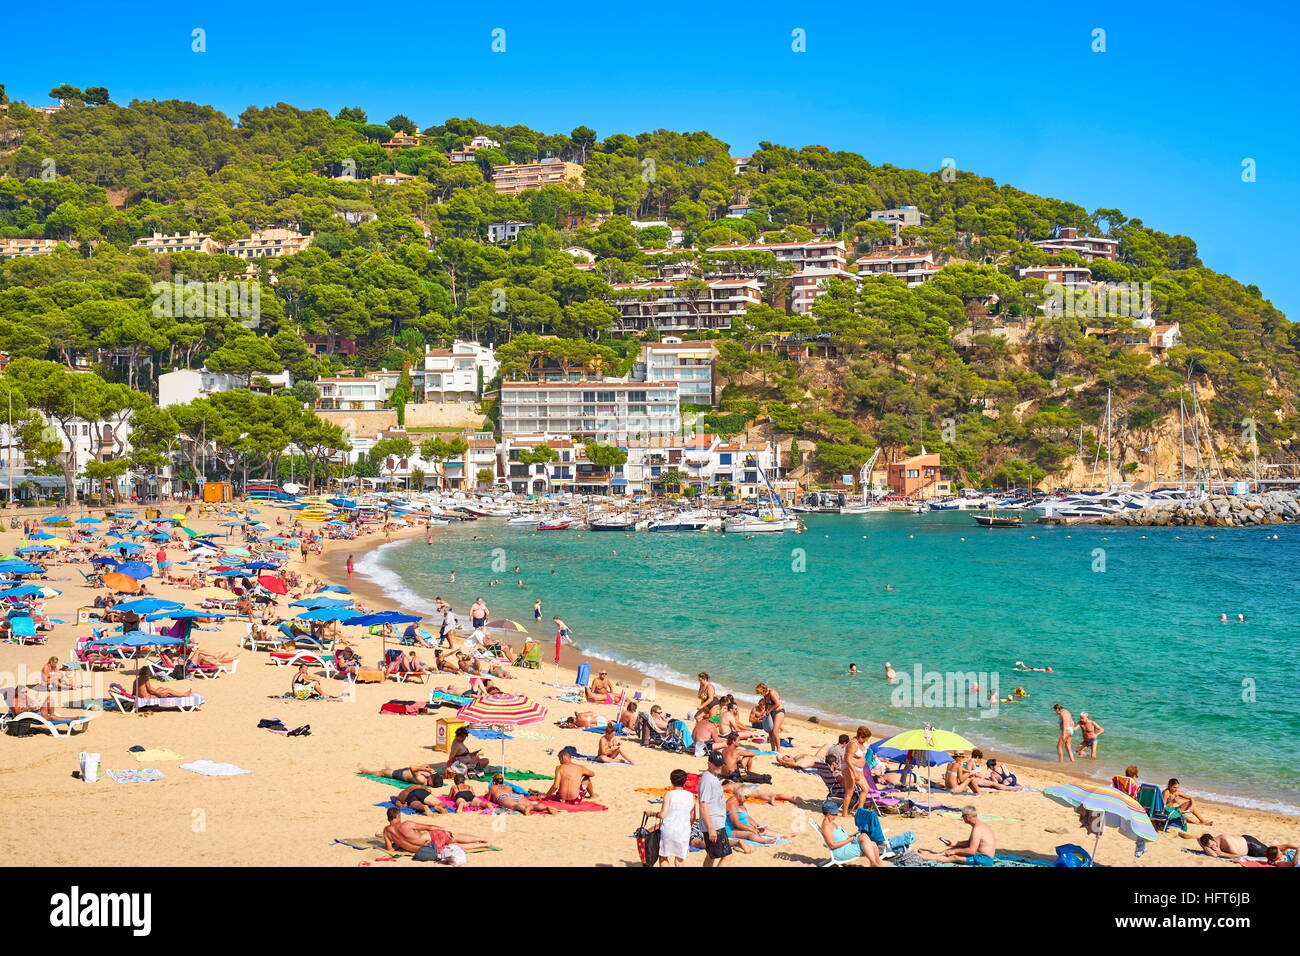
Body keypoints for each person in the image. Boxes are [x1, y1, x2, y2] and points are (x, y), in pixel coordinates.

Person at [381, 808, 490, 854]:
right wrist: (443, 829)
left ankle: (480, 845)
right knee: (454, 837)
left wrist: (399, 844)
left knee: (455, 845)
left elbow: (390, 849)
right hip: (431, 837)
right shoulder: (406, 824)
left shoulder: (386, 831)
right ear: (398, 816)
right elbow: (429, 827)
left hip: (427, 848)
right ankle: (482, 839)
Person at [917, 806, 998, 865]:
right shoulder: (980, 825)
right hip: (981, 856)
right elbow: (971, 843)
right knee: (953, 849)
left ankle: (925, 857)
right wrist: (955, 843)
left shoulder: (978, 829)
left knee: (954, 856)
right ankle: (929, 855)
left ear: (968, 817)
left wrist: (955, 851)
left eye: (963, 816)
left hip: (984, 859)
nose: (962, 818)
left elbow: (971, 850)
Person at [819, 800, 886, 866]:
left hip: (847, 845)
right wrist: (849, 840)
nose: (836, 815)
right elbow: (832, 845)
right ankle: (874, 863)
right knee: (872, 845)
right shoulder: (826, 827)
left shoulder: (830, 823)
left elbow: (837, 837)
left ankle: (876, 863)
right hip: (841, 851)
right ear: (828, 813)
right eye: (834, 813)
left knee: (867, 838)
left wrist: (850, 836)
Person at [697, 751, 732, 866]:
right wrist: (711, 828)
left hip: (715, 821)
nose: (719, 767)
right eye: (717, 764)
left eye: (721, 764)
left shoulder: (712, 777)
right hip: (713, 823)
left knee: (711, 855)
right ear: (709, 764)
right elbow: (703, 804)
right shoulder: (707, 780)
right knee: (727, 856)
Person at [656, 769, 695, 866]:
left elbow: (663, 814)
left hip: (669, 829)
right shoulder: (690, 796)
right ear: (685, 781)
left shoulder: (669, 794)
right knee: (679, 860)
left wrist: (653, 814)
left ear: (671, 781)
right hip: (683, 830)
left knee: (663, 857)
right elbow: (693, 816)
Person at [725, 791, 790, 844]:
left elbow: (746, 816)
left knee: (761, 830)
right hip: (730, 830)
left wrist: (756, 824)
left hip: (741, 826)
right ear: (740, 795)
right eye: (746, 797)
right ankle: (764, 841)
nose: (747, 799)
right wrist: (750, 828)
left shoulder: (740, 802)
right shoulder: (732, 804)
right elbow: (736, 823)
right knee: (750, 833)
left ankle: (783, 835)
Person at [486, 774, 556, 815]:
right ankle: (546, 807)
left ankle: (524, 809)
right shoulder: (508, 786)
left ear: (494, 781)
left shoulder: (493, 787)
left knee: (515, 805)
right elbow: (511, 793)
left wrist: (486, 795)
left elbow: (489, 799)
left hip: (504, 797)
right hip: (515, 796)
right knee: (530, 803)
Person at [358, 762, 443, 788]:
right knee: (388, 771)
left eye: (433, 777)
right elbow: (425, 765)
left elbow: (412, 767)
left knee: (382, 772)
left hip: (400, 775)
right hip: (406, 771)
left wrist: (426, 769)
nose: (432, 775)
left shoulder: (422, 780)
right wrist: (427, 767)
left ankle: (365, 771)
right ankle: (389, 769)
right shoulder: (429, 777)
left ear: (431, 782)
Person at [755, 682, 786, 752]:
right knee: (770, 732)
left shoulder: (772, 692)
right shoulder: (765, 694)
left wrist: (769, 710)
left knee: (775, 731)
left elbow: (778, 704)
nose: (760, 694)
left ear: (763, 690)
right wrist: (765, 712)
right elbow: (766, 704)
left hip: (779, 711)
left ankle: (778, 750)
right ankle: (773, 750)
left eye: (760, 693)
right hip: (771, 712)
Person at [1198, 832, 1274, 860]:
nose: (1213, 848)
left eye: (1213, 845)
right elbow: (1214, 855)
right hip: (1245, 844)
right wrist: (1206, 847)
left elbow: (1237, 855)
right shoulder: (1211, 843)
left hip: (1251, 845)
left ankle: (1281, 845)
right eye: (1210, 847)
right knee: (1265, 846)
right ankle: (1271, 843)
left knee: (1271, 853)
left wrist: (1222, 854)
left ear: (1213, 839)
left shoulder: (1225, 840)